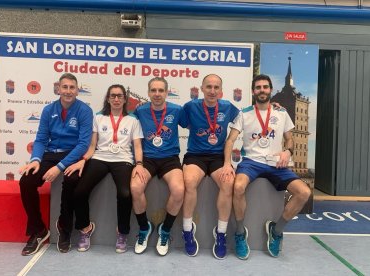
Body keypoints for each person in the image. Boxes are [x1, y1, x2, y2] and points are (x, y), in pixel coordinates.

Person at [222, 74, 311, 259]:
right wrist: (226, 163)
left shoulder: (281, 113)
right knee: (237, 187)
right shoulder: (244, 113)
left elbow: (290, 139)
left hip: (275, 163)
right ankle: (240, 233)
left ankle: (276, 231)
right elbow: (230, 140)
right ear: (253, 91)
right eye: (258, 87)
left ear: (270, 90)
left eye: (265, 87)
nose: (262, 90)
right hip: (251, 162)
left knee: (304, 193)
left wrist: (287, 152)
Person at [64, 84, 145, 253]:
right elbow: (92, 145)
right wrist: (84, 160)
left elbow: (137, 146)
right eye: (113, 96)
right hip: (100, 158)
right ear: (108, 98)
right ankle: (85, 229)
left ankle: (122, 232)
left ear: (125, 99)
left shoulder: (133, 120)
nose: (116, 99)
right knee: (79, 192)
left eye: (120, 96)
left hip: (123, 159)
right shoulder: (98, 118)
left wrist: (139, 164)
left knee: (125, 193)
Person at [19, 73, 93, 256]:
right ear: (58, 89)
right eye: (65, 87)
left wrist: (59, 167)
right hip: (50, 153)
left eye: (72, 87)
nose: (68, 91)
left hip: (73, 155)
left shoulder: (84, 110)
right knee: (26, 182)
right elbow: (41, 139)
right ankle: (39, 230)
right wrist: (36, 160)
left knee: (71, 181)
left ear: (77, 90)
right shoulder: (48, 110)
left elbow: (83, 144)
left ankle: (65, 229)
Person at [182, 74, 240, 259]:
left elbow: (246, 116)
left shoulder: (228, 107)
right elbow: (172, 116)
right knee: (189, 182)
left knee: (228, 183)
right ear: (202, 88)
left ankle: (221, 234)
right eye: (209, 87)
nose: (212, 91)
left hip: (218, 157)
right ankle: (187, 230)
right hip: (195, 155)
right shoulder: (191, 106)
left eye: (216, 87)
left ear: (221, 90)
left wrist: (273, 107)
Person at [131, 77, 188, 256]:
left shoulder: (177, 110)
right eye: (153, 90)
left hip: (170, 158)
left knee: (179, 190)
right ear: (148, 92)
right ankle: (144, 228)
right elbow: (118, 116)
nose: (157, 94)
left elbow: (195, 121)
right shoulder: (139, 111)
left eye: (161, 90)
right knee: (135, 187)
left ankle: (165, 229)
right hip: (147, 158)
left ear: (166, 92)